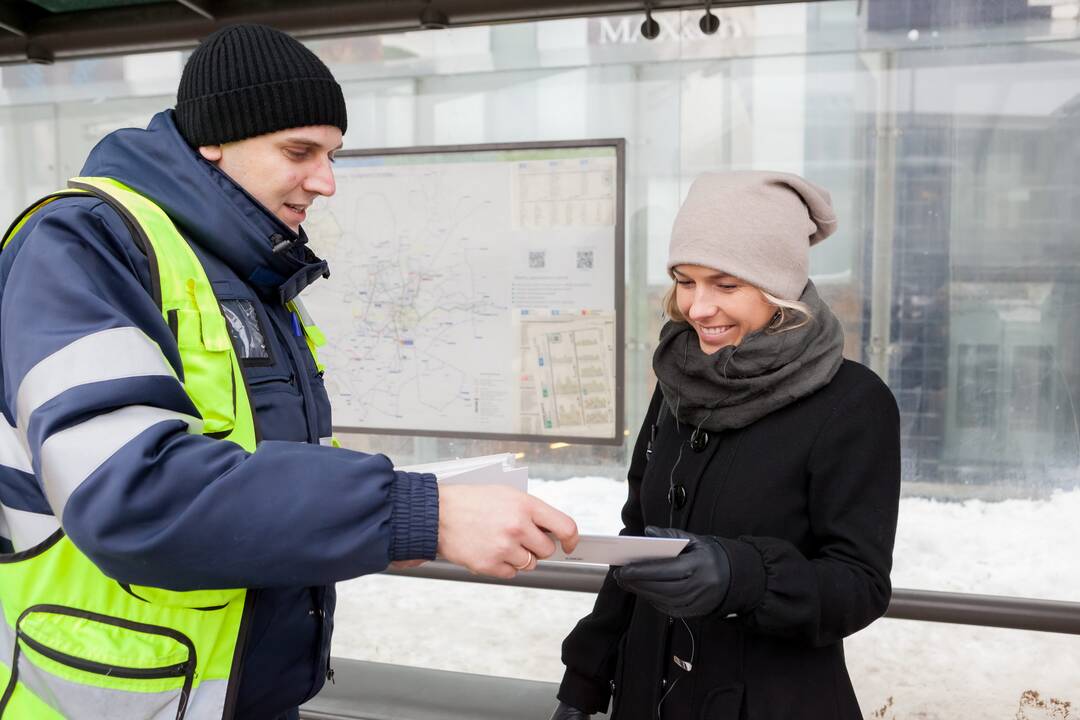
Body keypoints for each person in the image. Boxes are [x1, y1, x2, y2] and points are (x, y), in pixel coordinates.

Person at [0, 24, 577, 720]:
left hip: (238, 695)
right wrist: (414, 514)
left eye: (332, 154)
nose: (325, 182)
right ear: (213, 138)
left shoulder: (243, 272)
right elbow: (132, 492)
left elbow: (252, 472)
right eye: (298, 151)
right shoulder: (83, 245)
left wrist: (363, 529)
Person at [551, 172, 901, 720]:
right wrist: (585, 678)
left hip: (767, 701)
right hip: (646, 698)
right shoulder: (678, 382)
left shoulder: (851, 402)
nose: (698, 308)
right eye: (685, 281)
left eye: (725, 284)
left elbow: (860, 584)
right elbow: (637, 544)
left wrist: (742, 575)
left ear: (778, 285)